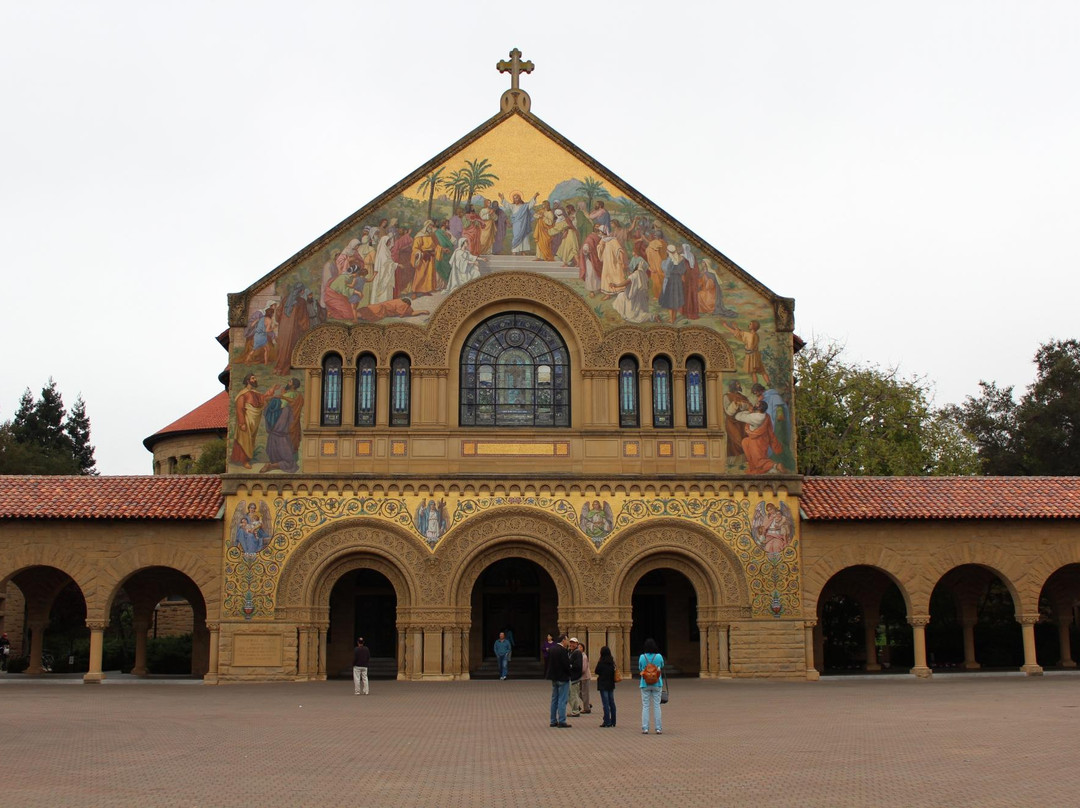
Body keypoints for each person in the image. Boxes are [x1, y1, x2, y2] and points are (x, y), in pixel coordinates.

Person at [230, 373, 269, 469]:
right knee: (244, 440)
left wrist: (270, 394)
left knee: (250, 441)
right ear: (248, 381)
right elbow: (240, 409)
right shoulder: (242, 394)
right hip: (245, 422)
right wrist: (242, 423)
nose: (255, 379)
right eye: (253, 378)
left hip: (253, 422)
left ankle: (246, 459)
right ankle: (243, 461)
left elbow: (263, 401)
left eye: (255, 378)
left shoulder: (256, 393)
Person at [639, 637, 664, 734]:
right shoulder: (659, 656)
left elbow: (640, 668)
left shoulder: (642, 657)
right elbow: (661, 666)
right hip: (657, 683)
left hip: (645, 683)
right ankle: (658, 728)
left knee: (645, 706)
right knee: (657, 705)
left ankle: (645, 728)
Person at [546, 634, 572, 728]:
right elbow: (566, 665)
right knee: (562, 700)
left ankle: (553, 720)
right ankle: (562, 721)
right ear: (563, 640)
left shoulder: (552, 649)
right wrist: (570, 673)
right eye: (567, 640)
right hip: (563, 678)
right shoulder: (563, 650)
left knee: (554, 699)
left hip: (554, 677)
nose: (568, 642)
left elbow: (549, 663)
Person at [594, 645, 617, 727]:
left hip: (603, 684)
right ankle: (613, 721)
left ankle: (607, 721)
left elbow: (596, 671)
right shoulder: (612, 662)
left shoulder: (601, 662)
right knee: (612, 703)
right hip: (610, 684)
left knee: (605, 703)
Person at [568, 637, 584, 717]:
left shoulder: (577, 653)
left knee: (573, 694)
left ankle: (575, 711)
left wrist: (570, 666)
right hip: (571, 676)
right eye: (571, 642)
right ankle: (576, 707)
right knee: (571, 694)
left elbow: (577, 665)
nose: (571, 644)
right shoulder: (570, 652)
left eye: (573, 643)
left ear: (577, 644)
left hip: (575, 677)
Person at [579, 642, 592, 715]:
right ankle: (587, 703)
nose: (579, 648)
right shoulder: (579, 656)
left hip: (585, 677)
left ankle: (586, 708)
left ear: (583, 648)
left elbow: (583, 669)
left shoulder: (584, 657)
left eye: (580, 647)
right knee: (579, 692)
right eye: (578, 647)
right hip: (581, 677)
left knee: (584, 693)